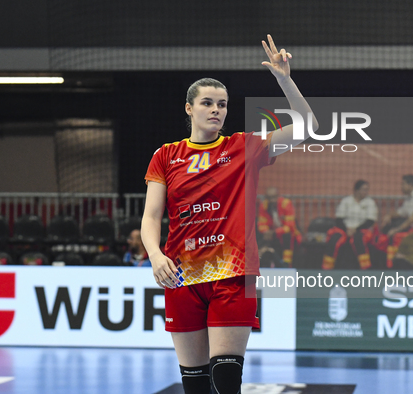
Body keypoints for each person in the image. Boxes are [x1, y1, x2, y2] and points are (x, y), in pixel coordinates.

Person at [141, 35, 317, 394]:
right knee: (195, 385)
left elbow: (306, 128)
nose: (216, 110)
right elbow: (150, 216)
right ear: (189, 108)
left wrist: (284, 79)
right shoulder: (166, 155)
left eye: (221, 104)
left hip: (233, 274)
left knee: (225, 377)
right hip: (181, 277)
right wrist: (155, 255)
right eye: (207, 103)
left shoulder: (244, 147)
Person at [323, 180, 378, 269]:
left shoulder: (370, 202)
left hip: (362, 229)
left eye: (367, 190)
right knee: (334, 239)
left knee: (358, 239)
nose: (366, 192)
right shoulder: (346, 201)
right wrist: (347, 229)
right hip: (344, 229)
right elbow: (339, 219)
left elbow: (370, 221)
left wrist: (355, 230)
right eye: (363, 190)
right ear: (356, 190)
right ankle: (327, 267)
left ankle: (366, 268)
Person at [257, 186, 302, 266]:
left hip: (291, 236)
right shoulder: (263, 206)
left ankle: (286, 264)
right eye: (269, 198)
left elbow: (289, 226)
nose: (272, 200)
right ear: (266, 198)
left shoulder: (286, 203)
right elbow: (261, 224)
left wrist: (274, 232)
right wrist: (266, 232)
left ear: (278, 196)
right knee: (256, 235)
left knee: (287, 236)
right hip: (272, 235)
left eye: (274, 197)